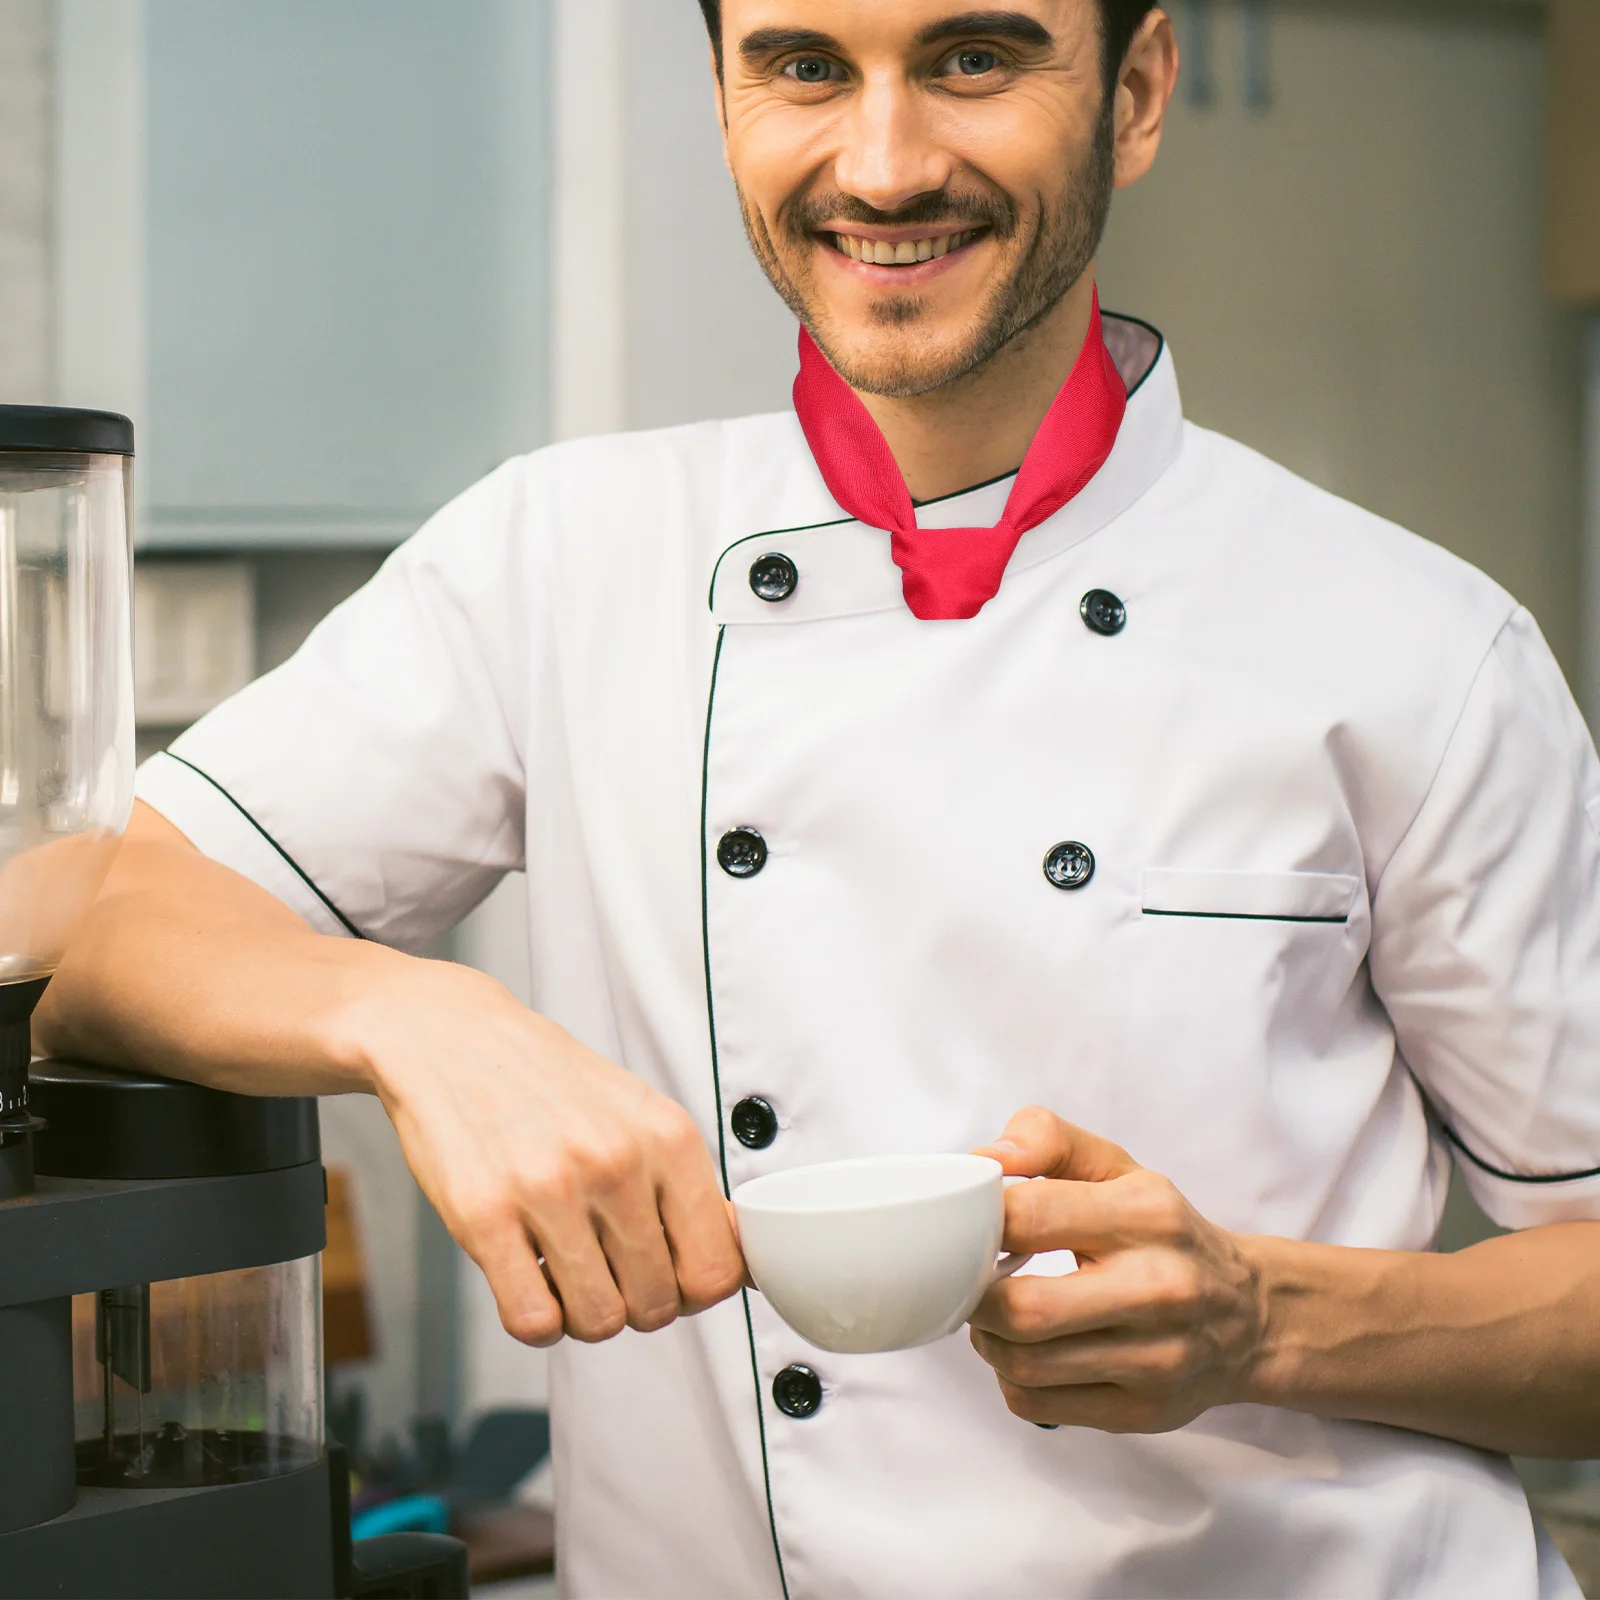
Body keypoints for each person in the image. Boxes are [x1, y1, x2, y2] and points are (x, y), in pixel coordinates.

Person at [40, 2, 1600, 1594]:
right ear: (723, 99)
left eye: (973, 60)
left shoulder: (1419, 645)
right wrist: (425, 1023)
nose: (883, 162)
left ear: (1133, 95)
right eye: (803, 67)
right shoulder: (563, 559)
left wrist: (1262, 1320)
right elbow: (90, 940)